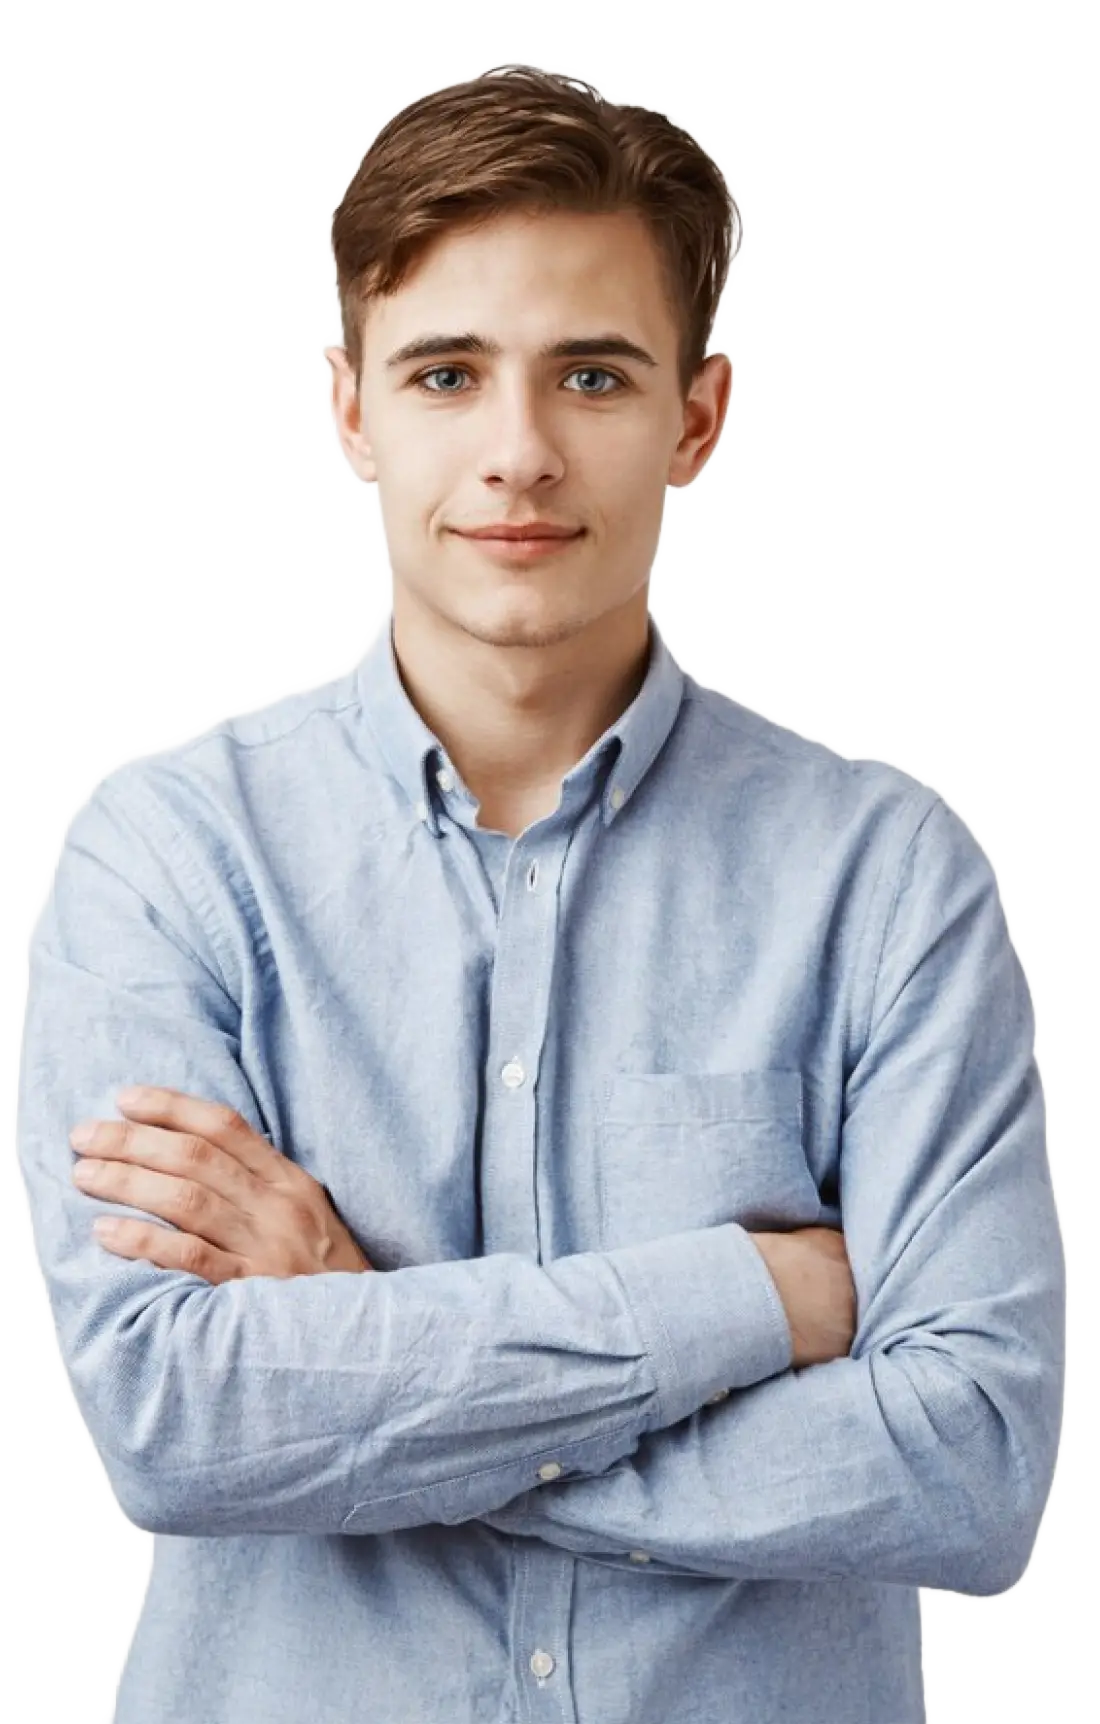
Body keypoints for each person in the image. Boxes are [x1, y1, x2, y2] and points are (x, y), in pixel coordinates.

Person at [15, 65, 1064, 1724]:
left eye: (591, 375)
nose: (518, 453)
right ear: (349, 407)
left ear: (698, 416)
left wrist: (364, 1358)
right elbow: (177, 1426)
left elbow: (971, 1464)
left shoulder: (884, 875)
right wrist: (753, 1299)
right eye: (447, 374)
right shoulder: (167, 853)